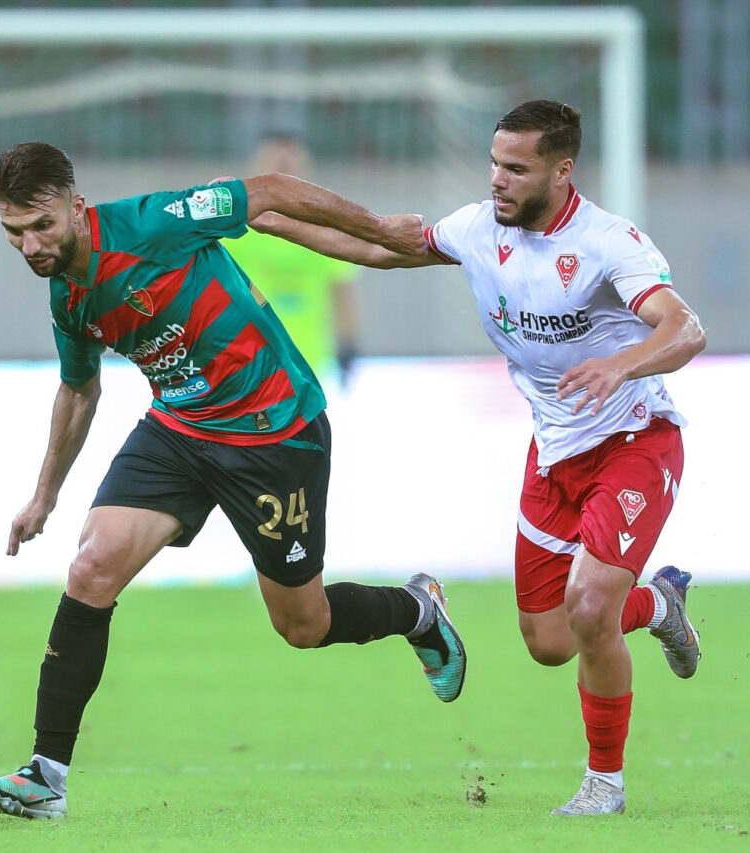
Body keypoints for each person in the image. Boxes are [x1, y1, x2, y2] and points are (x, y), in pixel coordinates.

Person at [0, 141, 466, 820]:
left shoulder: (152, 223)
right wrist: (45, 493)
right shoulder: (68, 300)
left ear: (75, 207)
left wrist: (378, 228)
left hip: (274, 429)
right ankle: (45, 775)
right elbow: (79, 390)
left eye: (41, 224)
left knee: (303, 624)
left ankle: (417, 610)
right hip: (179, 428)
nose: (29, 244)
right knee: (91, 567)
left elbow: (271, 192)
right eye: (14, 232)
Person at [251, 100, 705, 816]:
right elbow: (382, 245)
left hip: (634, 441)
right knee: (550, 639)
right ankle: (659, 605)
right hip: (555, 451)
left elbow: (685, 329)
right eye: (494, 163)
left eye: (516, 168)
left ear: (562, 170)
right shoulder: (476, 228)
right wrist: (278, 222)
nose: (498, 179)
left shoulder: (609, 243)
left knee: (589, 608)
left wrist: (623, 364)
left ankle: (605, 785)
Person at [224, 132, 363, 382]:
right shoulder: (234, 226)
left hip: (306, 359)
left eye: (290, 164)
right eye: (275, 164)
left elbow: (341, 287)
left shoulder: (326, 225)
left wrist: (348, 343)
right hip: (247, 358)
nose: (283, 170)